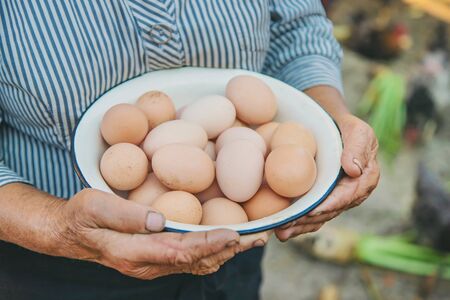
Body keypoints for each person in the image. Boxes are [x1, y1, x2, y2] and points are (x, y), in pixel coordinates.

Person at [0, 1, 380, 299]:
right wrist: (55, 226)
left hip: (237, 247)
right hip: (58, 267)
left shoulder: (228, 158)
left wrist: (330, 122)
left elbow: (294, 26)